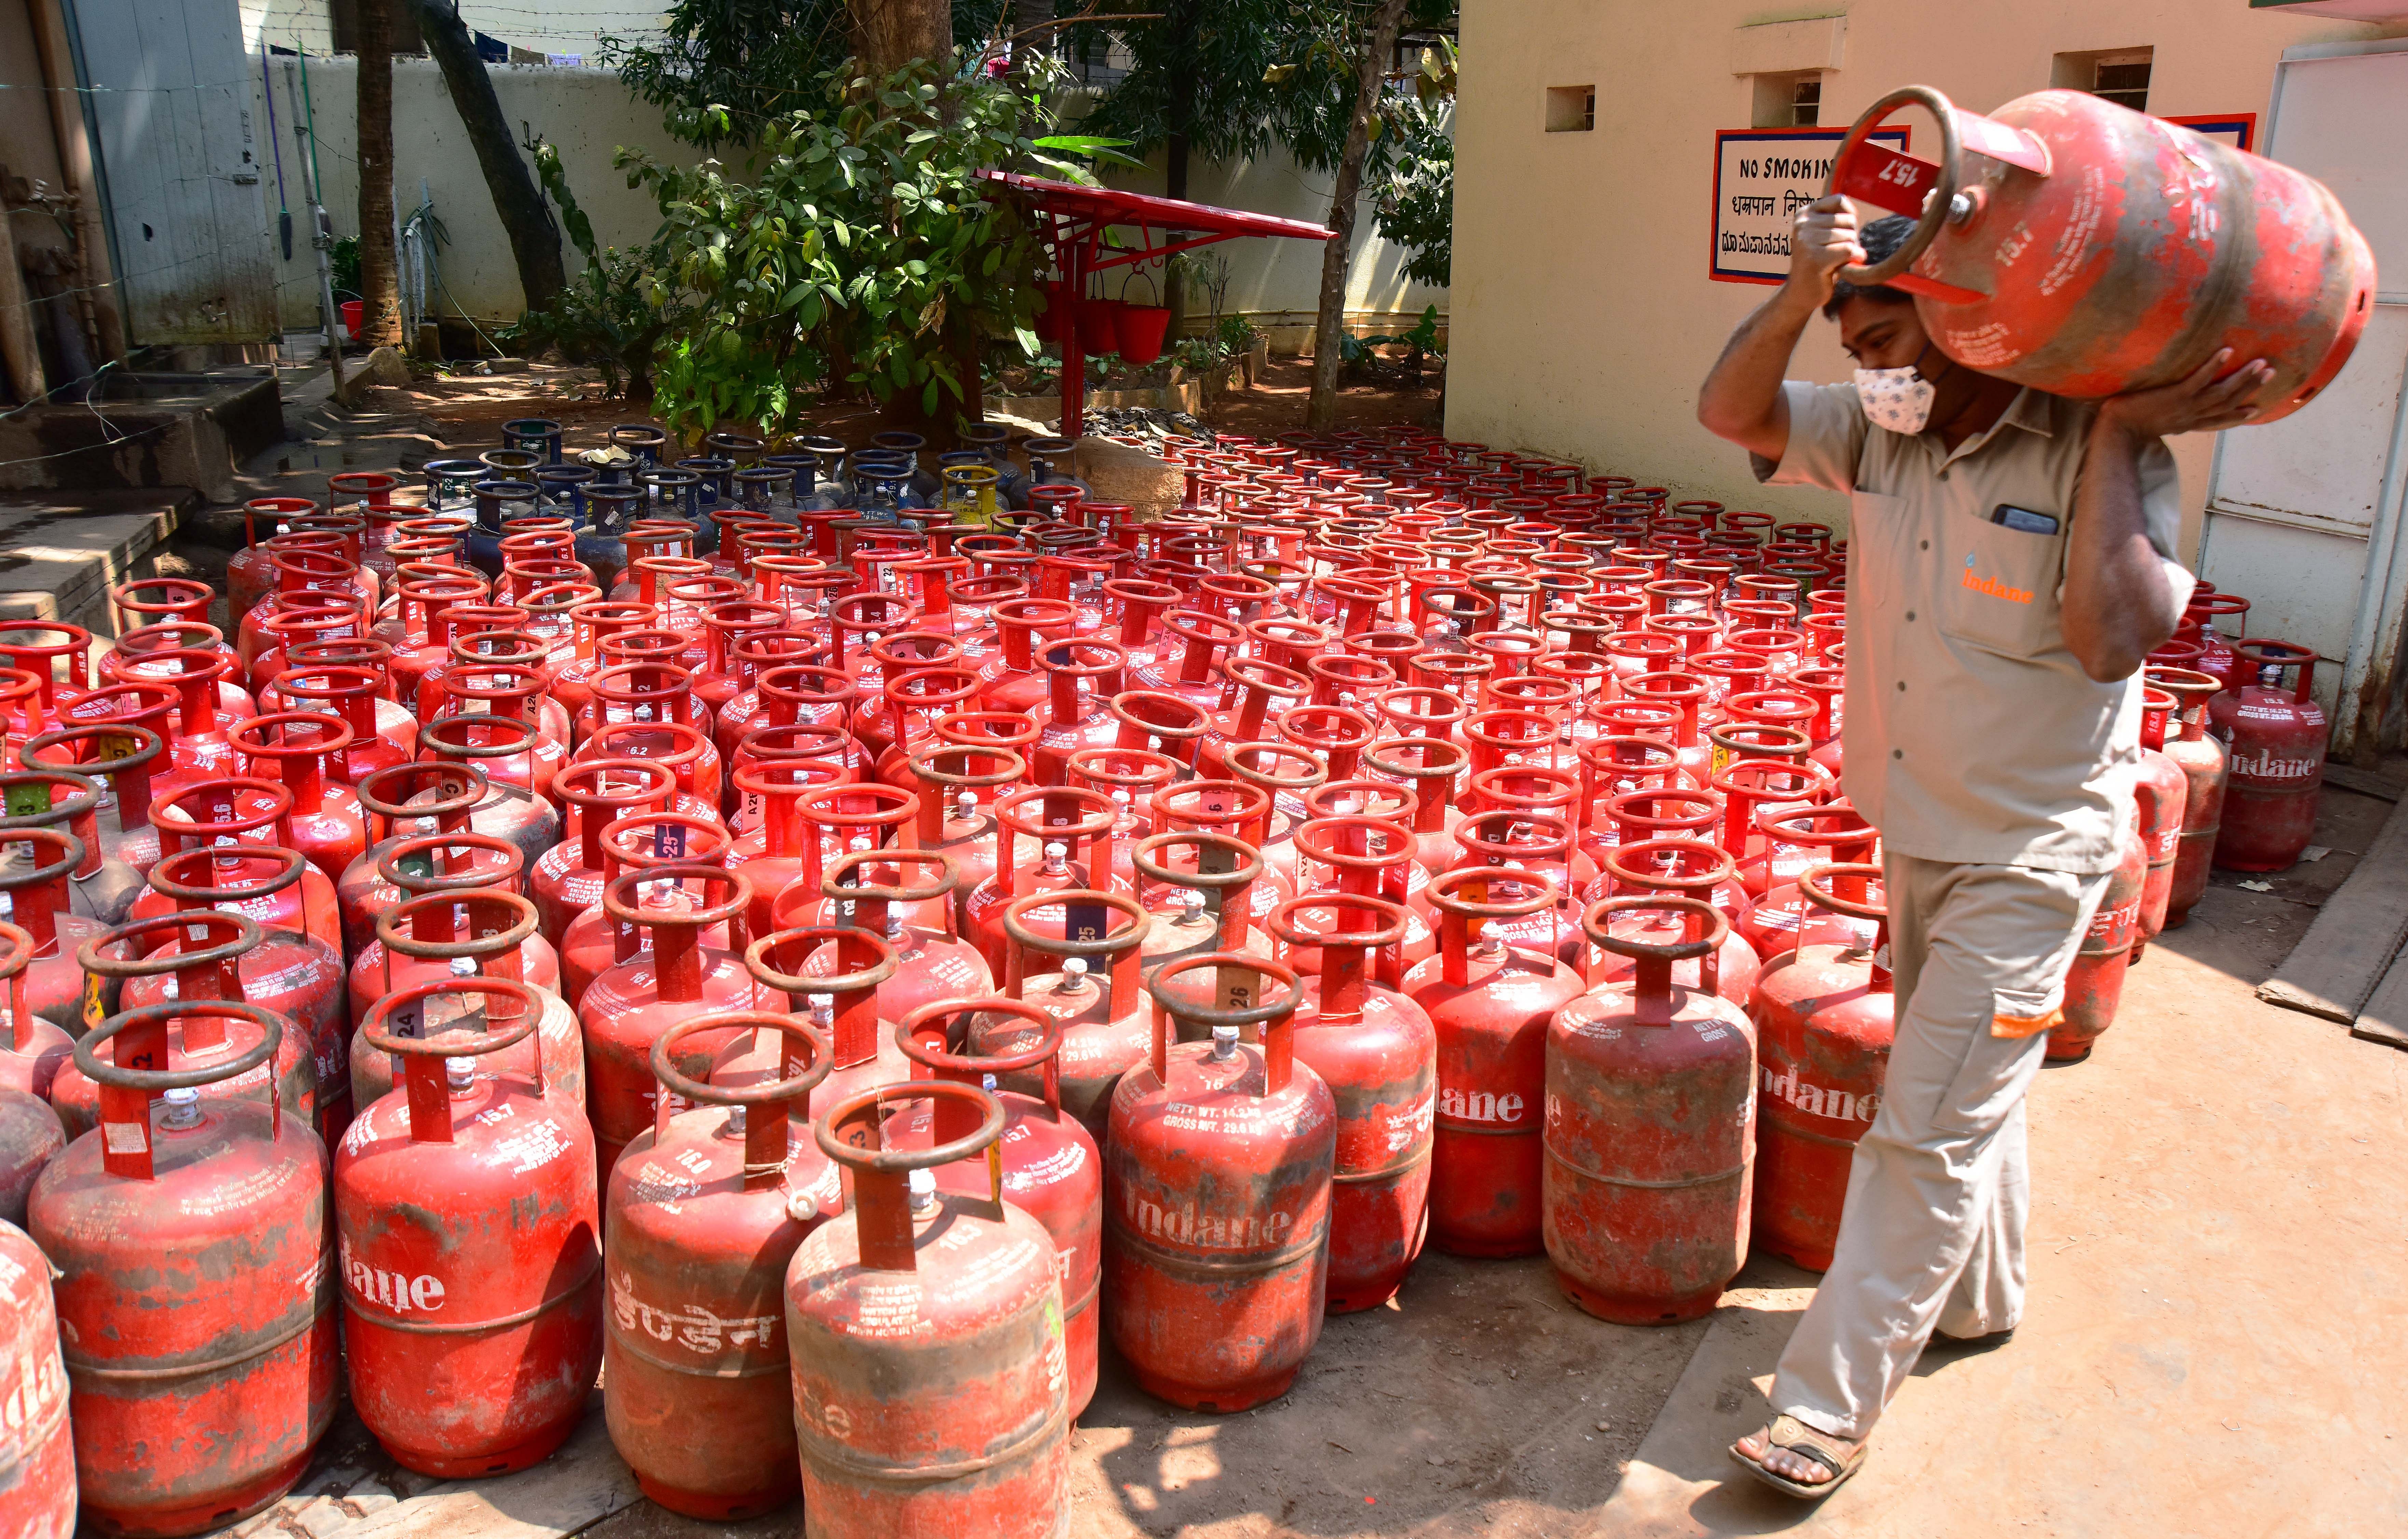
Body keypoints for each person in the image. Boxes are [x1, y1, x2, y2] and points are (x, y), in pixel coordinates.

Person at [1694, 196, 2271, 1499]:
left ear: (1967, 328)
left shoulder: (2092, 447)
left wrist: (2122, 434)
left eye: (1890, 337)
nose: (1870, 370)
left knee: (1925, 1128)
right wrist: (1799, 291)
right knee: (1965, 1092)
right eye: (1853, 345)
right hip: (1915, 828)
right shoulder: (1872, 435)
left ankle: (1826, 1406)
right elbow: (1732, 412)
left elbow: (2113, 637)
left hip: (2029, 853)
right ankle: (1978, 1299)